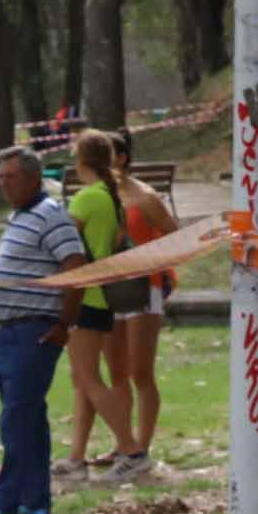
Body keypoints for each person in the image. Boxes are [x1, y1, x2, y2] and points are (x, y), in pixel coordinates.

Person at [0, 145, 91, 514]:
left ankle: (3, 504)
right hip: (6, 332)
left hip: (34, 331)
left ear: (34, 179)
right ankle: (34, 505)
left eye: (12, 177)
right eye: (0, 177)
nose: (4, 184)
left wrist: (65, 323)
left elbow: (76, 268)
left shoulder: (51, 215)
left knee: (15, 421)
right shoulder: (20, 216)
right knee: (29, 421)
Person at [52, 127, 140, 484]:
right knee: (83, 380)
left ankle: (132, 450)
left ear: (81, 160)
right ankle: (76, 458)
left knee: (88, 378)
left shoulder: (86, 198)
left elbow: (63, 244)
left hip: (83, 297)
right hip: (102, 296)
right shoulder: (112, 197)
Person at [110, 128, 176, 479]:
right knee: (116, 371)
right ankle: (124, 442)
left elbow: (174, 234)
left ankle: (142, 445)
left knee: (140, 371)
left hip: (145, 288)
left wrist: (147, 257)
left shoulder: (145, 197)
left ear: (122, 157)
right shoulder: (102, 196)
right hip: (111, 289)